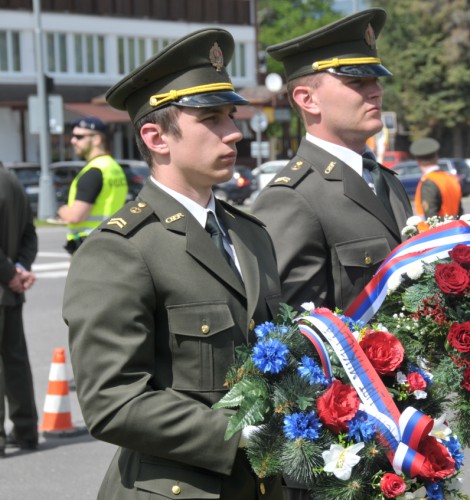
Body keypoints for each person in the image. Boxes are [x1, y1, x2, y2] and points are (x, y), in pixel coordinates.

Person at [63, 29, 282, 499]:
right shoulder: (122, 248)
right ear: (156, 136)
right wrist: (239, 433)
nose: (234, 131)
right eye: (211, 118)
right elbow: (111, 401)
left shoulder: (250, 234)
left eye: (231, 115)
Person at [251, 8, 413, 311]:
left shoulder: (386, 180)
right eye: (357, 82)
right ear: (307, 99)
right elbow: (295, 337)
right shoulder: (292, 198)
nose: (376, 91)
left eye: (375, 80)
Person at [0, 162, 39, 458]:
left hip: (5, 282)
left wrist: (9, 273)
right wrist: (20, 267)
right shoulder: (11, 180)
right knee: (15, 361)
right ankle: (26, 430)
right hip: (11, 292)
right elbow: (29, 233)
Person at [57, 116, 128, 254]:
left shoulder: (93, 172)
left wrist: (61, 210)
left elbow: (75, 216)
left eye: (79, 137)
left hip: (89, 245)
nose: (73, 141)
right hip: (112, 240)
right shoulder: (113, 167)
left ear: (96, 139)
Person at [410, 137, 463, 218]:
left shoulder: (429, 182)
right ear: (436, 157)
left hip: (435, 230)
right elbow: (459, 212)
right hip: (454, 229)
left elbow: (431, 218)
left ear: (418, 161)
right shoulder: (451, 179)